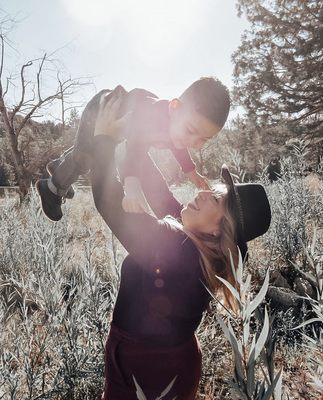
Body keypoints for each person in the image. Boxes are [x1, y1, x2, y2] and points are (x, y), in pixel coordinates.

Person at [89, 94, 272, 399]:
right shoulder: (199, 247)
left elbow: (108, 204)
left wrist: (103, 139)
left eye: (215, 198)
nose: (202, 193)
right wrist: (138, 133)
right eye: (211, 189)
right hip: (173, 362)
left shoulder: (177, 248)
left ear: (219, 229)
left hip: (146, 370)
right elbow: (157, 188)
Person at [36, 76, 230, 221]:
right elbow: (135, 146)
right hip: (102, 109)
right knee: (85, 157)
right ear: (174, 108)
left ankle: (60, 166)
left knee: (85, 157)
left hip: (118, 128)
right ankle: (52, 187)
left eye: (204, 139)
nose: (194, 142)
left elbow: (178, 147)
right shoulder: (153, 117)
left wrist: (191, 171)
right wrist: (131, 184)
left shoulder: (176, 127)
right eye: (190, 130)